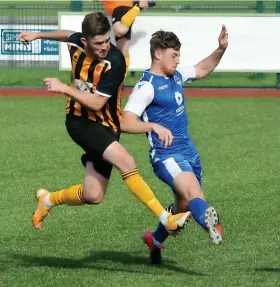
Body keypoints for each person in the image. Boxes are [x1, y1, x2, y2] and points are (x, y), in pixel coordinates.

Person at [18, 12, 190, 234]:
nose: (104, 46)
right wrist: (37, 35)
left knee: (93, 194)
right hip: (80, 123)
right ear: (85, 41)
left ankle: (48, 199)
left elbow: (98, 103)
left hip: (107, 126)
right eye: (98, 43)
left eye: (107, 40)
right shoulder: (76, 44)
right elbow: (67, 35)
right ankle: (166, 218)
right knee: (127, 161)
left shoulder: (115, 62)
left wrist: (64, 88)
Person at [121, 25, 228, 264]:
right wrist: (153, 127)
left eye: (179, 55)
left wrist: (220, 49)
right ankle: (212, 226)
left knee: (182, 207)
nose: (178, 60)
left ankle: (155, 240)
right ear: (158, 54)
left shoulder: (176, 75)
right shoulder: (146, 86)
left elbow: (202, 68)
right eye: (174, 55)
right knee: (194, 195)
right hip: (166, 156)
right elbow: (125, 121)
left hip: (189, 153)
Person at [101, 0, 156, 74]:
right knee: (123, 51)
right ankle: (119, 82)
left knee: (119, 30)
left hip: (118, 6)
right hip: (123, 10)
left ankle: (137, 7)